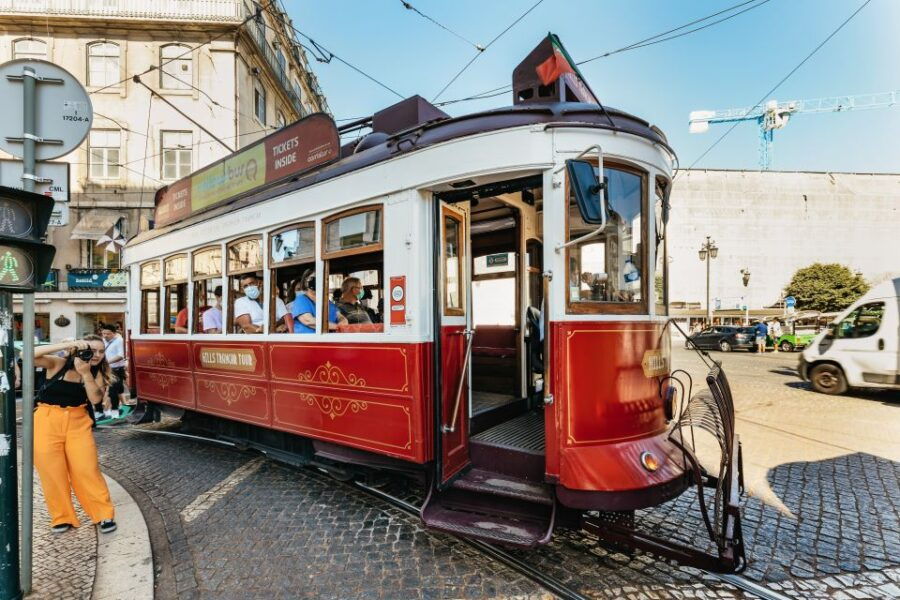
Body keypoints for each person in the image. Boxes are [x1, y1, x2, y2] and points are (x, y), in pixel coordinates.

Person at [32, 336, 117, 534]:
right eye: (90, 350)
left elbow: (95, 399)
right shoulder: (58, 363)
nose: (95, 355)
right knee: (51, 472)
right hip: (46, 419)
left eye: (101, 352)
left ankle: (103, 515)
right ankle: (61, 517)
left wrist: (85, 373)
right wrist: (65, 345)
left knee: (86, 468)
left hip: (78, 422)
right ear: (77, 350)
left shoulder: (96, 372)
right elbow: (26, 355)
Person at [291, 269, 345, 333]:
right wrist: (336, 327)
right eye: (313, 278)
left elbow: (340, 316)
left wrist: (342, 322)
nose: (317, 281)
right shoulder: (301, 299)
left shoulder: (327, 302)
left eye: (320, 278)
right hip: (310, 340)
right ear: (305, 282)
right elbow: (308, 321)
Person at [99, 323, 126, 419]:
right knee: (114, 390)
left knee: (113, 391)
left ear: (114, 333)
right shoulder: (103, 341)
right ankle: (107, 410)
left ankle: (114, 411)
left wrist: (106, 362)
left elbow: (121, 355)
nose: (105, 335)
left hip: (116, 370)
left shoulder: (119, 341)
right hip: (106, 369)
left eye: (108, 334)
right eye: (104, 333)